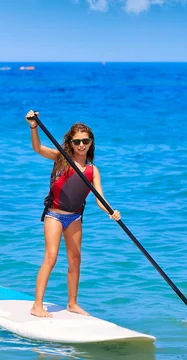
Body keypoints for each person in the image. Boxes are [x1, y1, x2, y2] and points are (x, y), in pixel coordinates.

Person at [26, 110, 121, 318]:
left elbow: (99, 200)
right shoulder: (62, 158)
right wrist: (34, 127)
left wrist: (111, 212)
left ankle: (72, 303)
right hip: (55, 215)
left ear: (90, 142)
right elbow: (37, 148)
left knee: (75, 259)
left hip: (75, 217)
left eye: (85, 141)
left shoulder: (92, 170)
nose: (81, 145)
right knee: (51, 258)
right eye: (76, 141)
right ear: (71, 142)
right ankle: (37, 305)